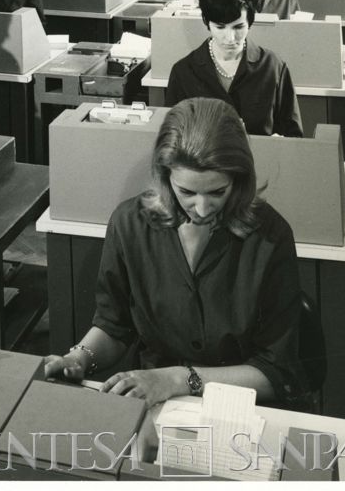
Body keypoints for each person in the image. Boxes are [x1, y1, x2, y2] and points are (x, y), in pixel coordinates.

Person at [43, 97, 306, 409]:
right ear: (165, 177)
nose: (203, 208)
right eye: (187, 192)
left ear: (239, 180)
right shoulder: (130, 224)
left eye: (218, 192)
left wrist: (177, 379)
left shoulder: (271, 236)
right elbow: (114, 326)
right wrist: (79, 358)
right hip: (155, 401)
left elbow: (276, 373)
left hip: (237, 409)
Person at [164, 0, 303, 137]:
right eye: (220, 27)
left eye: (238, 27)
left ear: (250, 21)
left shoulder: (273, 67)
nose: (230, 38)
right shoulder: (183, 72)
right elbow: (171, 141)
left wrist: (279, 144)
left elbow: (294, 137)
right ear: (206, 23)